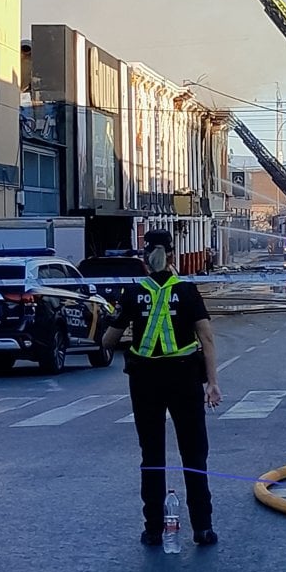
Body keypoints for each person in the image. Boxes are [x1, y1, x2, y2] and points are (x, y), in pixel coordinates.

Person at [102, 230, 221, 547]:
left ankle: (154, 528)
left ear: (144, 259)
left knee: (152, 455)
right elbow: (206, 339)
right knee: (194, 454)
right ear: (172, 256)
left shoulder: (132, 293)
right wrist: (212, 383)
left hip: (145, 382)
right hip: (184, 379)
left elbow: (106, 342)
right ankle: (203, 528)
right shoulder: (187, 291)